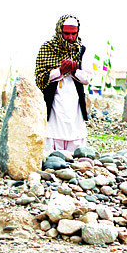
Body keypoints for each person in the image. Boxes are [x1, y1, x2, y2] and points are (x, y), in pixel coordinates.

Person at [35, 14, 92, 153]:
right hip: (53, 104)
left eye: (74, 33)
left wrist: (73, 71)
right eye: (66, 33)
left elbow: (87, 79)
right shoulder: (47, 49)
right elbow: (40, 78)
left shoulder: (81, 50)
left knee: (76, 144)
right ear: (60, 32)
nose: (71, 37)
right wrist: (60, 70)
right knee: (52, 142)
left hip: (75, 105)